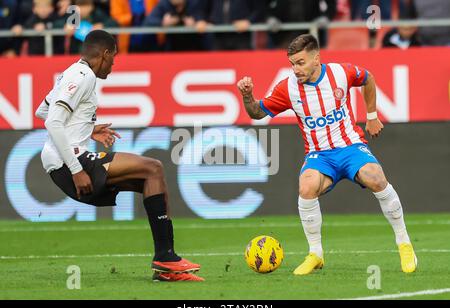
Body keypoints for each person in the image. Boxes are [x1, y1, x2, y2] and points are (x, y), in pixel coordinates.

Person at [236, 34, 417, 275]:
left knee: (375, 177)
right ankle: (315, 254)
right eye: (292, 63)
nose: (295, 69)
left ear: (316, 58)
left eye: (300, 62)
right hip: (319, 155)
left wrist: (371, 116)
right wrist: (247, 96)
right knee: (306, 185)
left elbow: (368, 78)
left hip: (350, 146)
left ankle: (404, 243)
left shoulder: (341, 73)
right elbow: (258, 113)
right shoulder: (288, 87)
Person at [34, 30, 203, 282]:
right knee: (153, 168)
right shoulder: (83, 76)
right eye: (113, 57)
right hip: (69, 162)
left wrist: (88, 129)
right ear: (104, 54)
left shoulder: (71, 73)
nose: (113, 64)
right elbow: (52, 123)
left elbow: (41, 111)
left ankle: (166, 265)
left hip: (66, 159)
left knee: (151, 180)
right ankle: (166, 257)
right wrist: (76, 169)